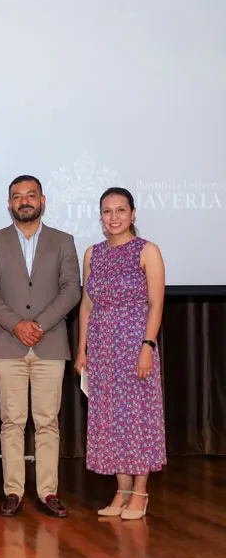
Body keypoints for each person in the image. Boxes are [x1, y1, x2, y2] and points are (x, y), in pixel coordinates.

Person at [0, 175, 81, 519]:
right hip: (8, 344)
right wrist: (16, 325)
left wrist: (38, 325)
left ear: (43, 200)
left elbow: (71, 290)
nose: (24, 201)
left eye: (30, 195)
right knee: (12, 422)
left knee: (48, 421)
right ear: (9, 204)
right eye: (17, 196)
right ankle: (13, 491)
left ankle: (48, 492)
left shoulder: (63, 241)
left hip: (50, 344)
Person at [75, 187, 166, 520]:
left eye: (120, 210)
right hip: (102, 347)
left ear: (133, 214)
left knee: (139, 416)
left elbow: (156, 303)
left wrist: (147, 346)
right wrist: (82, 349)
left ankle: (140, 492)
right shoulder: (92, 254)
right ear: (100, 217)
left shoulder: (147, 251)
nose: (114, 217)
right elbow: (87, 303)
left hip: (135, 344)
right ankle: (122, 490)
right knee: (111, 418)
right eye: (107, 211)